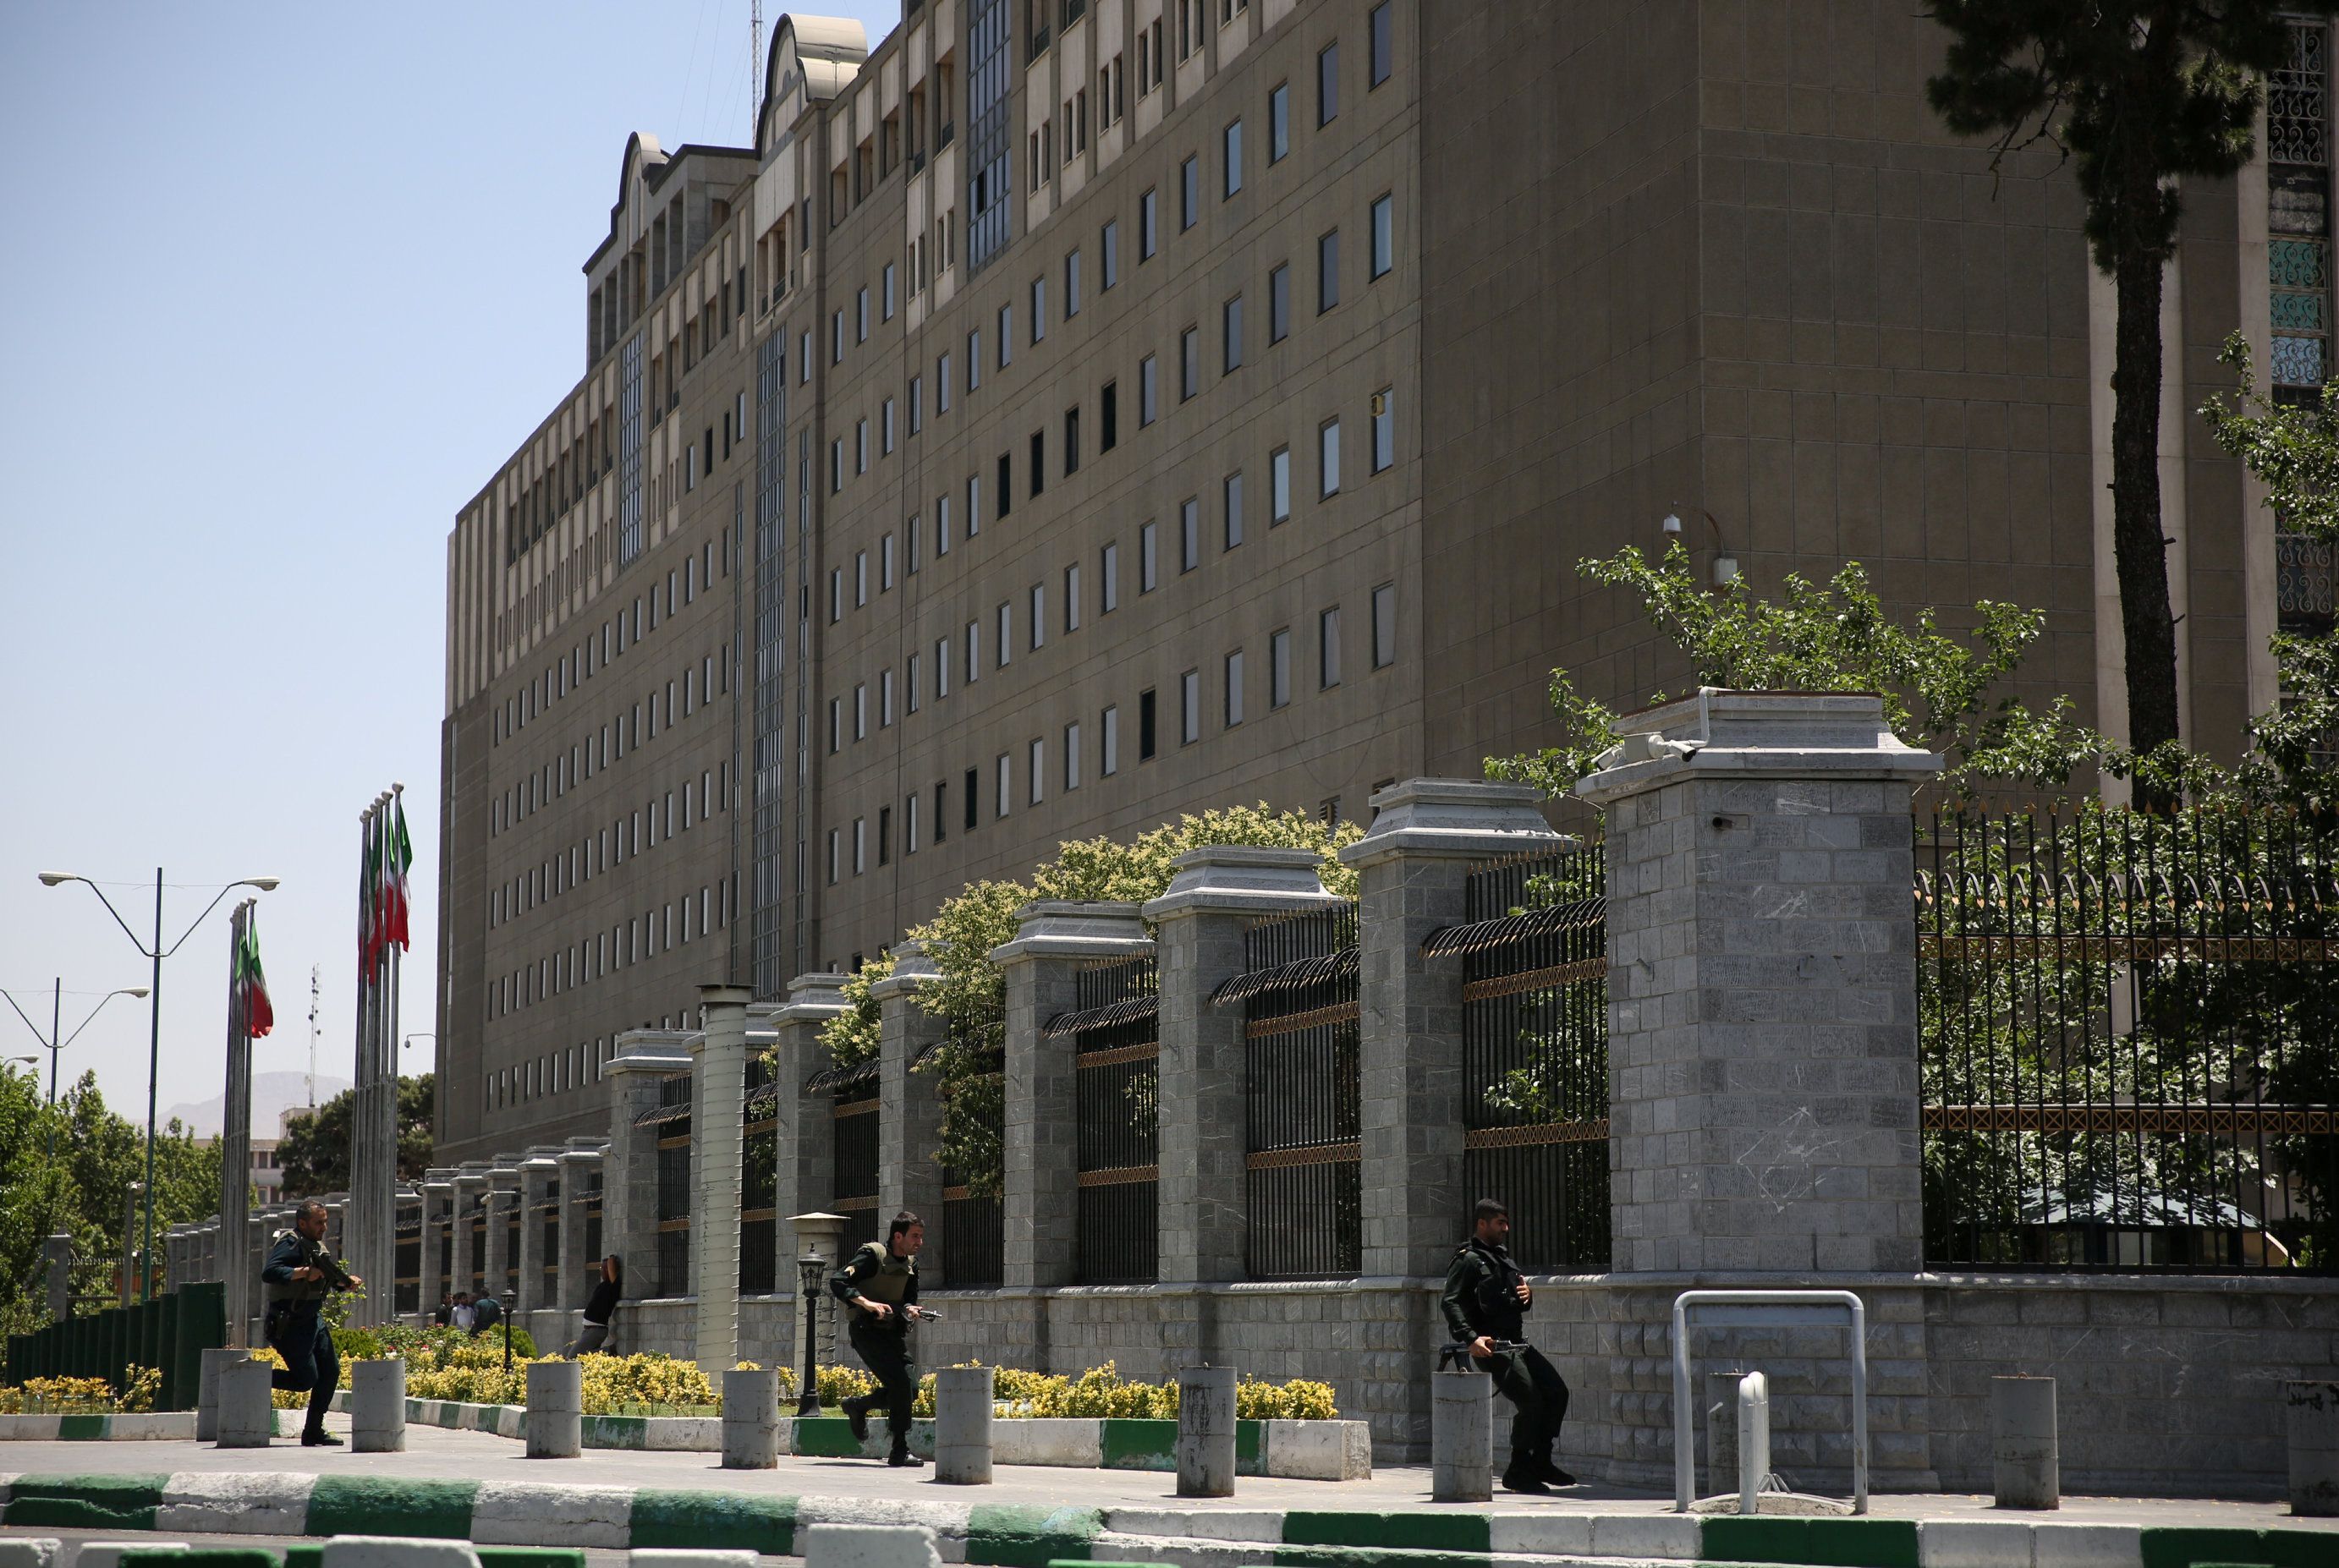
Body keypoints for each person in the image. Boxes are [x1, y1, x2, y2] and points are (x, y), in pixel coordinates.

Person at [1441, 1198, 1572, 1494]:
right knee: (1530, 1401)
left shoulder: (1501, 1258)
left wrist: (1527, 1295)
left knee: (1557, 1391)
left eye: (1506, 1222)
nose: (1506, 1228)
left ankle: (1541, 1461)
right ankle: (1518, 1471)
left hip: (1517, 1344)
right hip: (1492, 1346)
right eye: (1500, 1223)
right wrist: (1470, 1338)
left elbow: (1511, 1302)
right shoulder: (1468, 1259)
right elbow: (1450, 1301)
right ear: (1482, 1223)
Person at [261, 1198, 361, 1448]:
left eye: (325, 1222)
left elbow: (326, 1279)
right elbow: (270, 1272)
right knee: (306, 1380)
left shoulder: (315, 1246)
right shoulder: (291, 1243)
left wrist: (344, 1282)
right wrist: (304, 1272)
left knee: (331, 1372)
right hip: (290, 1323)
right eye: (319, 1223)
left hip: (313, 1320)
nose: (324, 1227)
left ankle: (314, 1430)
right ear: (302, 1223)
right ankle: (252, 1379)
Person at [829, 1210, 926, 1467]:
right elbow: (838, 1281)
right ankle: (899, 1449)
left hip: (892, 1334)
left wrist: (911, 1309)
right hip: (866, 1332)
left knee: (911, 1389)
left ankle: (859, 1406)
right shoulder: (873, 1256)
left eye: (921, 1236)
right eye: (914, 1236)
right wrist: (866, 1302)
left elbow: (909, 1299)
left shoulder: (911, 1264)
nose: (919, 1242)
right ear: (898, 1235)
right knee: (899, 1383)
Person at [563, 1255, 623, 1357]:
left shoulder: (612, 1286)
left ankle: (609, 1351)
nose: (602, 1271)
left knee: (573, 1356)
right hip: (590, 1330)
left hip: (596, 1330)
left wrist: (610, 1261)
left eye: (605, 1268)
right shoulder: (603, 1285)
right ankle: (606, 1353)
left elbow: (612, 1260)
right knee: (588, 1357)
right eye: (601, 1268)